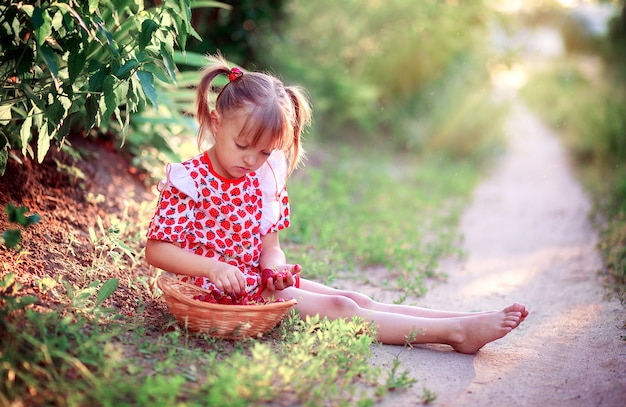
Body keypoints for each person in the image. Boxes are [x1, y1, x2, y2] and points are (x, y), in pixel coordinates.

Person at [145, 54, 528, 354]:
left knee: (353, 298)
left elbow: (271, 249)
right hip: (216, 290)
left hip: (255, 281)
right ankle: (455, 333)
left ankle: (463, 319)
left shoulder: (262, 177)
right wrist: (213, 267)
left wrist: (274, 270)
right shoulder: (190, 180)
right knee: (342, 311)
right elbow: (157, 249)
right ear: (215, 123)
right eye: (242, 146)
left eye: (263, 152)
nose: (251, 160)